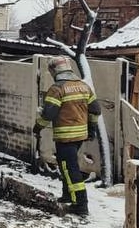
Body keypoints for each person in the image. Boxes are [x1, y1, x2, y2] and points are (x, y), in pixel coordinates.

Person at [34, 56, 101, 216]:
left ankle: (81, 205)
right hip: (80, 136)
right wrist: (91, 129)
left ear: (54, 71)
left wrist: (37, 127)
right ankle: (67, 196)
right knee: (66, 167)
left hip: (65, 137)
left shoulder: (57, 89)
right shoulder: (84, 87)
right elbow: (96, 110)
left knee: (69, 169)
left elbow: (48, 114)